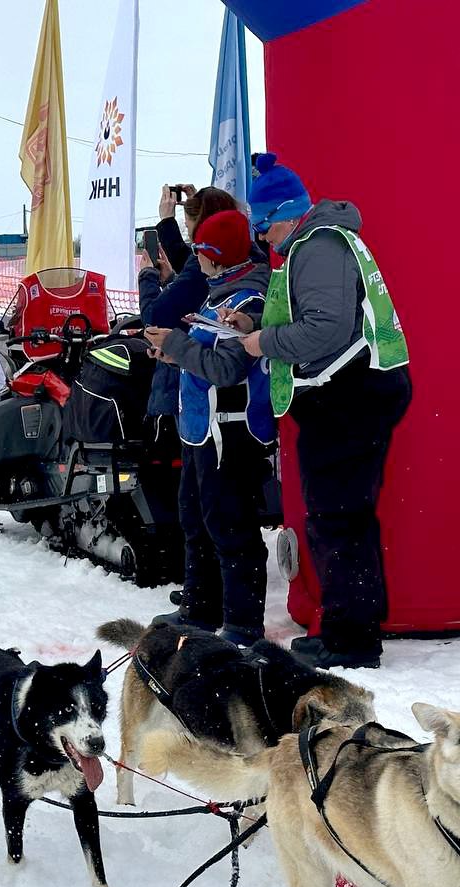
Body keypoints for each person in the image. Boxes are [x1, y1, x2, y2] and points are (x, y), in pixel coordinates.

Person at [240, 153, 411, 669]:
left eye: (264, 225)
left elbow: (324, 330)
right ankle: (350, 626)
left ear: (287, 215)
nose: (263, 238)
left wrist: (262, 343)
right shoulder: (319, 244)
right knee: (344, 517)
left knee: (338, 519)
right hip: (355, 393)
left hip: (348, 397)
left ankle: (352, 641)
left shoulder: (318, 248)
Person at [144, 211, 275, 646]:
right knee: (196, 519)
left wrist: (179, 346)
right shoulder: (220, 292)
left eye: (199, 250)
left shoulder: (247, 299)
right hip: (203, 429)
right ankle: (200, 608)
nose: (193, 257)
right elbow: (206, 356)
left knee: (229, 524)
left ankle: (242, 623)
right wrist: (172, 353)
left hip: (231, 432)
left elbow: (226, 369)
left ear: (215, 257)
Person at [137, 185, 244, 426]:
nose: (195, 252)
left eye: (189, 228)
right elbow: (197, 277)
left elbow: (155, 316)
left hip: (203, 400)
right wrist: (174, 280)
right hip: (219, 399)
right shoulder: (243, 258)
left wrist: (147, 276)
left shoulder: (218, 270)